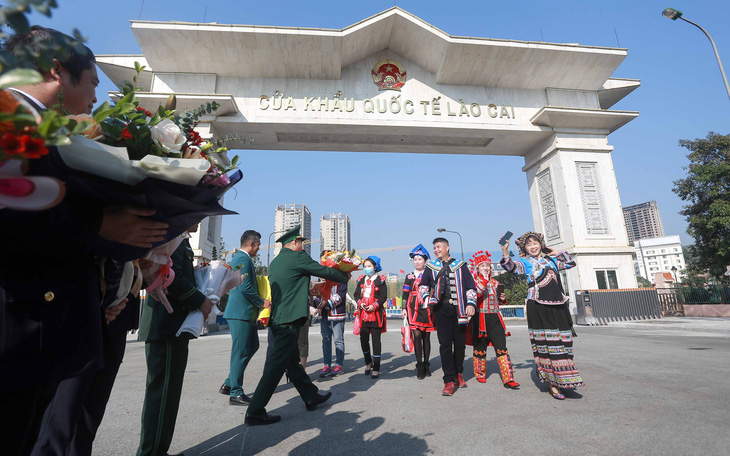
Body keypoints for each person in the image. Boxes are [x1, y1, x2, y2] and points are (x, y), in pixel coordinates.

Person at [0, 26, 166, 456]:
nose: (95, 94)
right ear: (57, 69)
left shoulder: (46, 129)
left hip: (45, 324)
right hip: (16, 330)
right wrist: (97, 225)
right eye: (92, 80)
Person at [245, 225, 348, 426]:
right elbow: (323, 270)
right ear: (294, 243)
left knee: (291, 362)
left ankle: (310, 396)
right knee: (276, 366)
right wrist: (343, 276)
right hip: (289, 320)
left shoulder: (276, 262)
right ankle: (255, 410)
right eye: (301, 242)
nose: (302, 246)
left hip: (278, 318)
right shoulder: (298, 257)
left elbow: (290, 286)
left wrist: (308, 291)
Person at [137, 224, 215, 455]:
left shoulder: (180, 238)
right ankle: (152, 452)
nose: (199, 221)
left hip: (172, 324)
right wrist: (200, 300)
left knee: (167, 393)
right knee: (162, 394)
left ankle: (157, 449)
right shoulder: (171, 235)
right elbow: (171, 276)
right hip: (166, 324)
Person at [500, 231, 584, 400]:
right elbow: (510, 267)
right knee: (547, 345)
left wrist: (555, 252)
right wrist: (505, 250)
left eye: (535, 243)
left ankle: (565, 379)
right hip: (538, 305)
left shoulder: (551, 260)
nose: (533, 246)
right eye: (529, 244)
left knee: (564, 342)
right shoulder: (525, 262)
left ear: (541, 244)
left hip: (559, 305)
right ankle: (552, 384)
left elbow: (570, 263)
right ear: (524, 249)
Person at [419, 238, 477, 396]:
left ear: (447, 247)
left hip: (459, 309)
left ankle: (459, 373)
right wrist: (427, 298)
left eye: (439, 247)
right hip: (441, 309)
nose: (436, 250)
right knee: (445, 344)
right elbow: (423, 285)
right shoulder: (430, 267)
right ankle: (449, 380)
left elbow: (471, 287)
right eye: (434, 248)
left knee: (459, 344)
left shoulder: (461, 265)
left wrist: (471, 303)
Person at [219, 230, 270, 406]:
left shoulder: (244, 259)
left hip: (245, 312)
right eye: (258, 246)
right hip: (240, 312)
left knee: (252, 346)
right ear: (251, 244)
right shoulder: (242, 259)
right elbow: (244, 287)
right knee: (240, 351)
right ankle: (236, 392)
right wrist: (262, 302)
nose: (259, 249)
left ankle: (229, 382)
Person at [468, 251, 519, 388]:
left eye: (488, 265)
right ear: (477, 268)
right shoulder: (474, 282)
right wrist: (484, 280)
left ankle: (508, 378)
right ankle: (479, 373)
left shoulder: (495, 282)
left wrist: (502, 299)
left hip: (495, 317)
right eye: (482, 266)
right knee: (480, 347)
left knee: (501, 347)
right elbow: (477, 293)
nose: (486, 268)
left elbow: (498, 302)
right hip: (480, 317)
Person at [402, 244, 435, 380]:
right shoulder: (409, 276)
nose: (417, 262)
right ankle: (419, 365)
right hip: (413, 307)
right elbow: (405, 293)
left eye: (420, 259)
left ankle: (427, 363)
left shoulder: (430, 274)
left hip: (427, 307)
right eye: (415, 259)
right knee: (417, 335)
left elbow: (434, 289)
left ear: (425, 261)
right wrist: (403, 308)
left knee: (426, 336)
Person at [353, 257, 388, 379]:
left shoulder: (381, 280)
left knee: (376, 341)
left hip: (376, 315)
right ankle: (368, 362)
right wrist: (360, 303)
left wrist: (374, 306)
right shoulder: (361, 280)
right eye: (365, 266)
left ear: (375, 267)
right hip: (363, 315)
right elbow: (356, 294)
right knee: (363, 340)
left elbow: (384, 297)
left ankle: (376, 368)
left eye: (369, 266)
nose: (366, 268)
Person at [317, 281, 348, 377]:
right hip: (325, 314)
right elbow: (319, 293)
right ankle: (327, 365)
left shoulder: (340, 278)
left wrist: (326, 302)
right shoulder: (322, 278)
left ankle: (339, 365)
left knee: (338, 340)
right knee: (326, 340)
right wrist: (318, 302)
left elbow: (341, 294)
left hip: (337, 313)